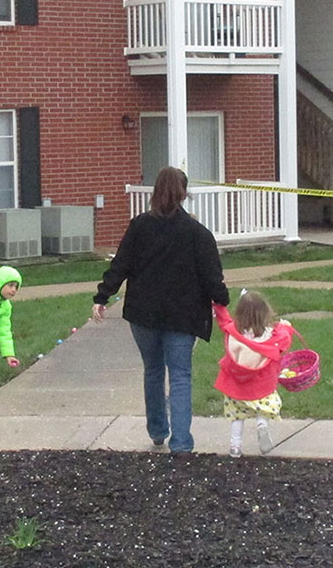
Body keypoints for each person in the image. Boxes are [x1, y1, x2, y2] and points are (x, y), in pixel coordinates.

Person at [93, 165, 230, 453]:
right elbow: (211, 277)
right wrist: (222, 299)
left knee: (153, 370)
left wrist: (102, 296)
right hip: (183, 316)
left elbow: (121, 264)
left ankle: (157, 431)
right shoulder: (198, 233)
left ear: (156, 191)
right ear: (184, 194)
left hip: (143, 314)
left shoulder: (139, 226)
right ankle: (181, 443)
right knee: (180, 374)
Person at [214, 288, 296, 458]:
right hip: (262, 385)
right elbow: (284, 339)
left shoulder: (232, 331)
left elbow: (223, 320)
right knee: (265, 408)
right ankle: (261, 424)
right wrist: (287, 327)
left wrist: (217, 305)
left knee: (237, 416)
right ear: (265, 313)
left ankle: (235, 447)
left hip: (236, 386)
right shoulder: (272, 337)